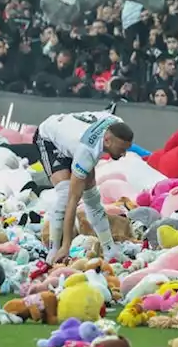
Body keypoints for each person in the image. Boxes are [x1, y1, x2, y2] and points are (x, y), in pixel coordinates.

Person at [37, 111, 135, 263]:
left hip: (74, 136)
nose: (124, 154)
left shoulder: (116, 122)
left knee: (92, 197)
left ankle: (109, 250)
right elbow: (72, 201)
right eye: (121, 149)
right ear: (108, 141)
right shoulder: (87, 153)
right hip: (49, 138)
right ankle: (54, 251)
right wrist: (66, 246)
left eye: (126, 149)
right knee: (65, 194)